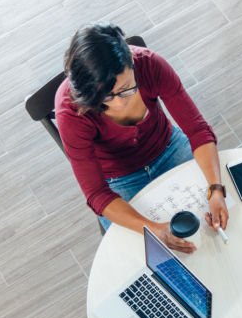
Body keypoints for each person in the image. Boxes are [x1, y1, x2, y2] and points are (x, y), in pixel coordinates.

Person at [56, 23, 228, 252]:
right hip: (118, 180)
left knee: (224, 223)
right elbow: (96, 193)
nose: (119, 102)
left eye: (127, 89)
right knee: (147, 257)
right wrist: (151, 228)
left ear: (131, 62)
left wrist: (216, 188)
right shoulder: (70, 109)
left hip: (169, 147)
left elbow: (197, 130)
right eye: (105, 97)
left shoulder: (150, 64)